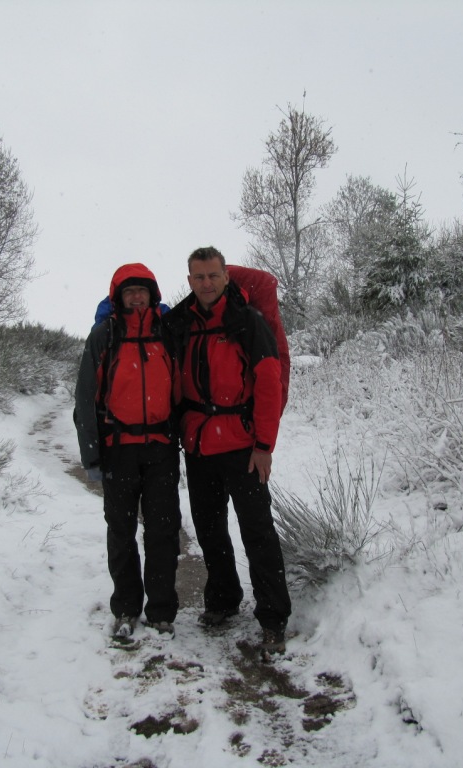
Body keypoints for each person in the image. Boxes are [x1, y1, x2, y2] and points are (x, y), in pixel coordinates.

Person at [163, 246, 292, 657]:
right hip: (199, 446)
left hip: (243, 447)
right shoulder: (181, 322)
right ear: (190, 281)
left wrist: (264, 446)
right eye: (199, 277)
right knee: (209, 529)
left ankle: (273, 618)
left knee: (258, 532)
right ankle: (222, 598)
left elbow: (268, 384)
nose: (206, 284)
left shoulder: (248, 321)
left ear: (225, 277)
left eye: (213, 276)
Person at [73, 263, 181, 641]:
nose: (136, 298)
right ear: (117, 297)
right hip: (117, 450)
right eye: (129, 292)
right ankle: (125, 608)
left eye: (142, 291)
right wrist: (91, 454)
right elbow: (85, 397)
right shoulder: (104, 335)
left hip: (161, 449)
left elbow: (184, 387)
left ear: (153, 295)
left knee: (163, 531)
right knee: (121, 531)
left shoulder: (167, 332)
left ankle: (162, 610)